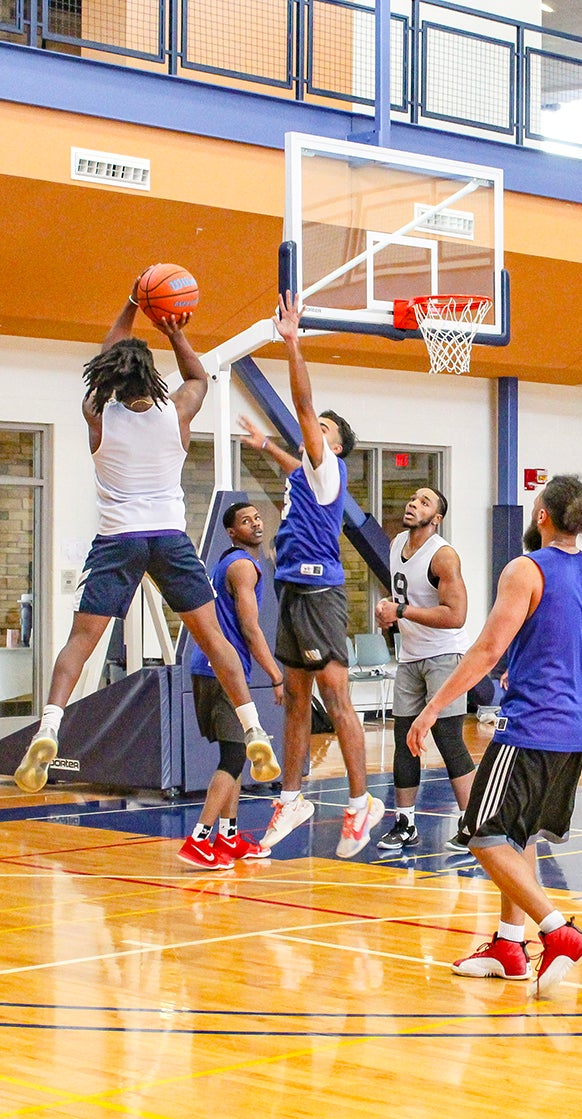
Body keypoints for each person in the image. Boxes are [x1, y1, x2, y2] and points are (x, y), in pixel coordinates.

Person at [14, 281, 277, 794]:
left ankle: (48, 728)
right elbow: (200, 375)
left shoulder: (98, 417)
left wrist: (132, 305)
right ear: (153, 377)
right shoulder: (176, 412)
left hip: (119, 539)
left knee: (81, 643)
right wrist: (175, 332)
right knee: (213, 638)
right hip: (169, 539)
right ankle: (253, 727)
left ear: (109, 377)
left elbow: (107, 353)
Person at [407, 475, 582, 995]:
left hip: (529, 725)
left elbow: (486, 650)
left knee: (482, 833)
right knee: (516, 835)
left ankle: (556, 930)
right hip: (574, 733)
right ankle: (508, 945)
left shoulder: (525, 569)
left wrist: (432, 707)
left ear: (542, 514)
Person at [238, 291, 384, 858]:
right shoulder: (306, 474)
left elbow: (303, 407)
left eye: (322, 429)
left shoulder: (331, 471)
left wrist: (292, 342)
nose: (313, 431)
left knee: (337, 697)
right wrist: (267, 447)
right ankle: (291, 797)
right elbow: (295, 462)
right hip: (293, 592)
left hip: (322, 593)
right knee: (296, 701)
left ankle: (358, 804)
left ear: (336, 444)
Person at [178, 502, 284, 870]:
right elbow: (251, 629)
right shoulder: (242, 567)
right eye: (245, 520)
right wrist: (275, 673)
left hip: (209, 667)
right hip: (221, 670)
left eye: (257, 518)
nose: (255, 523)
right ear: (231, 532)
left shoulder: (228, 563)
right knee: (236, 756)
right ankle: (199, 839)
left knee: (235, 754)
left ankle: (228, 835)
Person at [374, 486, 475, 853]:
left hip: (444, 657)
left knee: (449, 741)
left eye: (425, 501)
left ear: (437, 518)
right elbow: (406, 597)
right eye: (413, 497)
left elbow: (456, 615)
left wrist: (401, 612)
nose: (414, 502)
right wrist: (390, 607)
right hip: (410, 656)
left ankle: (472, 824)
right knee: (405, 742)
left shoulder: (443, 556)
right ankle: (405, 823)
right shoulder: (397, 541)